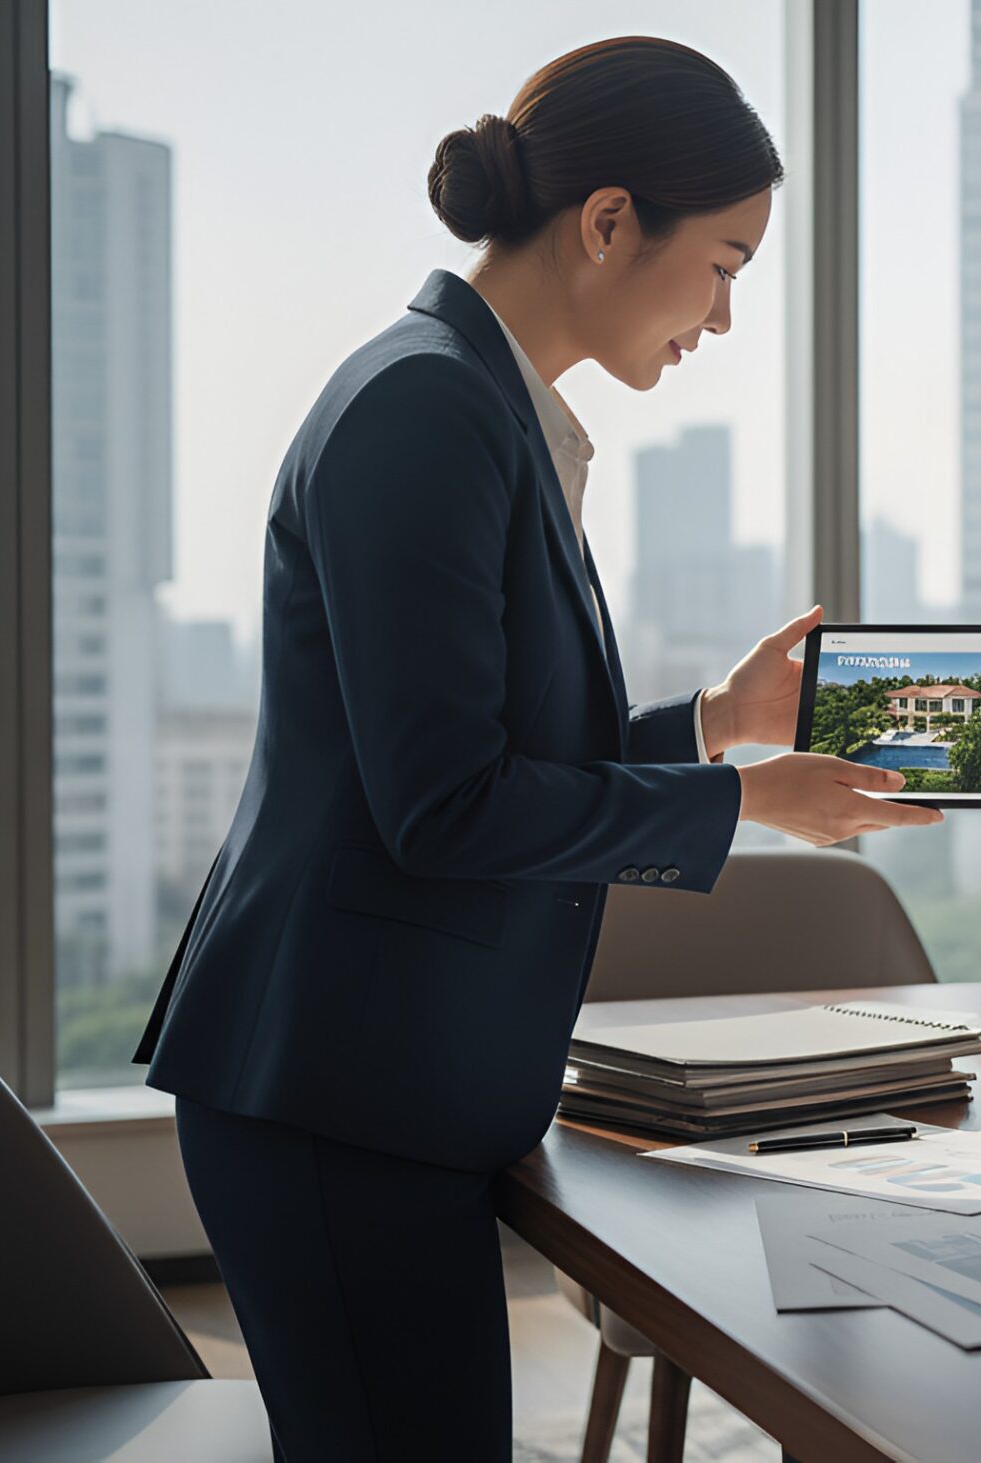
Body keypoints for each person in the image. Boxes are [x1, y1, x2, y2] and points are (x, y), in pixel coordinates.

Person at [129, 39, 939, 1458]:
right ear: (612, 221)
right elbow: (446, 805)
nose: (728, 317)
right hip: (338, 1089)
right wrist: (739, 798)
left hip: (377, 1083)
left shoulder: (475, 400)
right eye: (727, 262)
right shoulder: (426, 405)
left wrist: (714, 724)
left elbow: (478, 751)